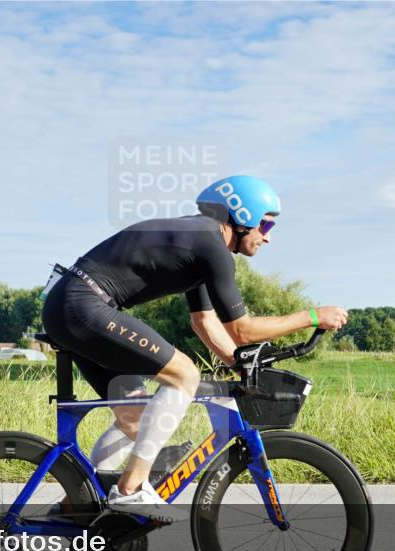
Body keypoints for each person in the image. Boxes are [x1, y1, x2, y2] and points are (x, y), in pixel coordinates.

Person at [41, 175, 348, 522]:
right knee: (184, 374)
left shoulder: (199, 242)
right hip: (83, 305)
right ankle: (129, 491)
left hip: (72, 305)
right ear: (242, 216)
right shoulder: (210, 245)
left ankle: (75, 507)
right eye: (265, 223)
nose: (268, 236)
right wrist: (311, 316)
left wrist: (236, 361)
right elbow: (242, 329)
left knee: (136, 418)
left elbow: (204, 322)